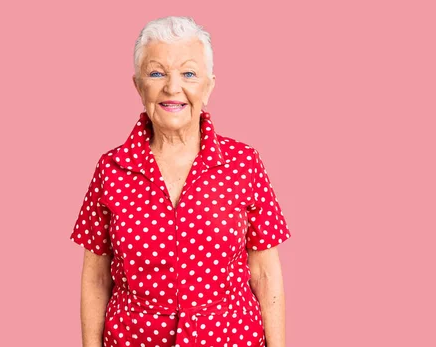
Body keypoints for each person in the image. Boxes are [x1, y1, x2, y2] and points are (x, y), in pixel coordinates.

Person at [70, 16, 291, 347]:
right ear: (138, 84)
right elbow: (97, 277)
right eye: (157, 73)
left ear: (209, 85)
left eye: (189, 73)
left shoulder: (244, 163)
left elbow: (265, 273)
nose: (172, 88)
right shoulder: (111, 169)